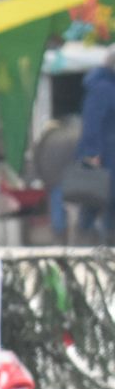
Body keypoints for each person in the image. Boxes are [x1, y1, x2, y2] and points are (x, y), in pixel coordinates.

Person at [67, 47, 115, 245]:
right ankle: (85, 242)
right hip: (105, 154)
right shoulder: (103, 88)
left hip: (108, 151)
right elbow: (92, 122)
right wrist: (91, 152)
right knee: (96, 197)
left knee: (100, 198)